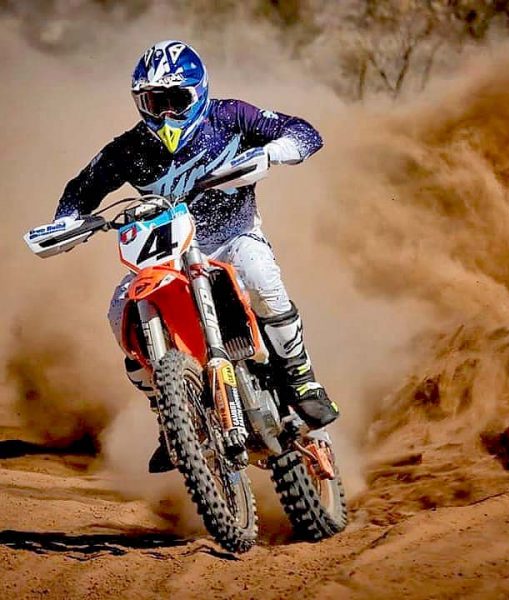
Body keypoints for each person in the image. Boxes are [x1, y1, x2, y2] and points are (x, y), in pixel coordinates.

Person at [53, 40, 339, 472]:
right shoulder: (129, 149)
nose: (166, 113)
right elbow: (81, 188)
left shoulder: (229, 116)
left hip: (233, 237)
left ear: (198, 92)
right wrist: (66, 222)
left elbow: (304, 132)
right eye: (154, 102)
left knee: (260, 276)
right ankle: (171, 415)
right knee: (119, 313)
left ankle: (301, 381)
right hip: (165, 255)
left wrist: (269, 153)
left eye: (176, 100)